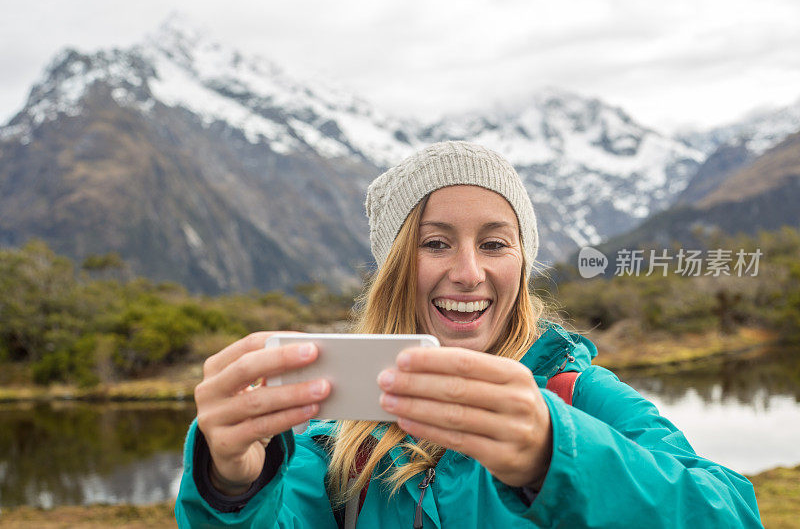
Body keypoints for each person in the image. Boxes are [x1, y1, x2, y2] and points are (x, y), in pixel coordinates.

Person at [175, 141, 762, 527]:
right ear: (397, 271)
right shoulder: (337, 447)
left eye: (494, 243)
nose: (468, 272)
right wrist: (230, 482)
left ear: (522, 264)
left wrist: (554, 456)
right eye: (435, 243)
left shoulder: (575, 399)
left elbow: (730, 513)